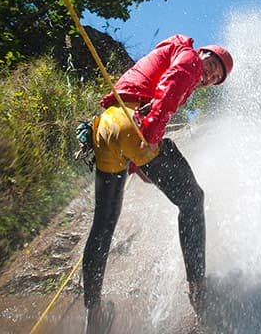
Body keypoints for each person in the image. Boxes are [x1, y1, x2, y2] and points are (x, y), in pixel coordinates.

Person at [82, 34, 233, 333]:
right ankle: (198, 291)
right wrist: (150, 138)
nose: (210, 76)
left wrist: (138, 159)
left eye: (216, 79)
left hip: (107, 126)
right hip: (134, 125)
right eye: (213, 65)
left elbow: (161, 85)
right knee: (192, 199)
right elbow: (173, 83)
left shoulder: (176, 57)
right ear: (203, 53)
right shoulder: (188, 58)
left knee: (103, 225)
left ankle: (94, 313)